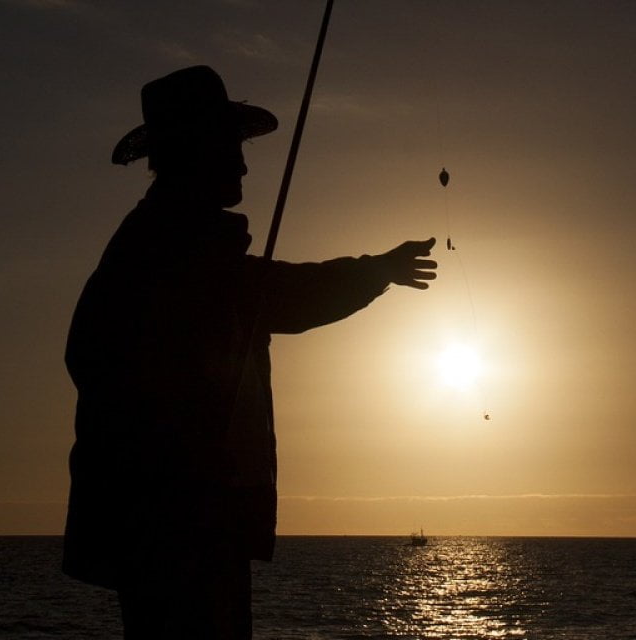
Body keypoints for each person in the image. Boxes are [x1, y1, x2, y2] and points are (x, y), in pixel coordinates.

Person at [62, 65, 437, 639]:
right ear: (195, 150)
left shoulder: (171, 242)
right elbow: (278, 296)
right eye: (229, 147)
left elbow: (268, 295)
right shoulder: (166, 248)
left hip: (188, 516)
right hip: (177, 519)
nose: (241, 164)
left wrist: (377, 270)